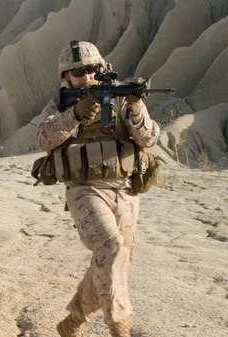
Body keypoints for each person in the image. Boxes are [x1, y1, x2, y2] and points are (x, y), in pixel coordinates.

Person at [35, 41, 160, 337]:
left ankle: (73, 322)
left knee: (111, 261)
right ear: (67, 77)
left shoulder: (119, 99)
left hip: (125, 190)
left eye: (92, 69)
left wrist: (135, 107)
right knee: (110, 248)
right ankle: (119, 327)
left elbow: (149, 139)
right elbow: (43, 138)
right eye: (78, 72)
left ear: (103, 69)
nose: (87, 76)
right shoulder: (61, 104)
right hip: (84, 189)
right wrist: (75, 114)